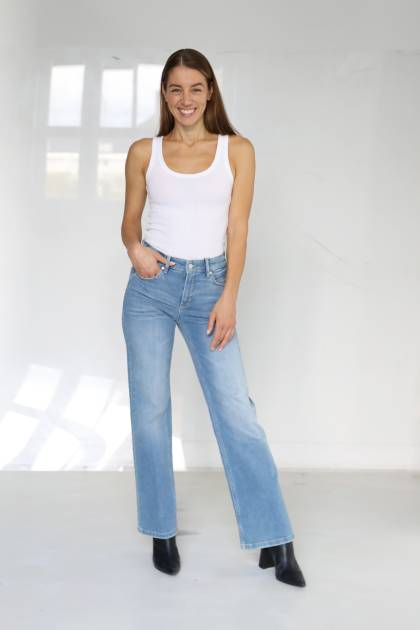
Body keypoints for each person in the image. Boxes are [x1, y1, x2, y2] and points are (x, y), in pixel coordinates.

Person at [121, 48, 306, 587]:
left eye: (196, 88)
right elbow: (130, 221)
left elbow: (238, 228)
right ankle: (161, 530)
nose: (186, 99)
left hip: (210, 288)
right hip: (150, 290)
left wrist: (229, 297)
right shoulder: (144, 152)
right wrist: (134, 248)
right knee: (151, 412)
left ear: (210, 92)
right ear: (164, 94)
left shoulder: (237, 150)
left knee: (236, 412)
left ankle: (276, 538)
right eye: (176, 89)